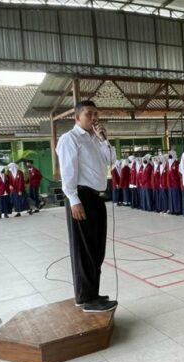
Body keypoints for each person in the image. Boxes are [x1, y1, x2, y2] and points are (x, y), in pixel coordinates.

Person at [56, 100, 118, 313]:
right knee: (84, 250)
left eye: (96, 114)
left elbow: (112, 160)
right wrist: (73, 199)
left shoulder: (94, 139)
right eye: (89, 114)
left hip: (96, 197)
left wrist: (103, 140)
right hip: (81, 197)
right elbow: (67, 171)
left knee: (96, 248)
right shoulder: (69, 139)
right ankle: (86, 298)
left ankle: (93, 293)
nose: (94, 118)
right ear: (77, 117)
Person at [167, 150, 181, 215]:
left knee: (176, 197)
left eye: (170, 154)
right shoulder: (169, 163)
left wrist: (175, 178)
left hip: (175, 183)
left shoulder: (176, 163)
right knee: (171, 197)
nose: (169, 155)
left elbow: (178, 174)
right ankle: (172, 209)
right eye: (169, 154)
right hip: (170, 183)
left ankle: (177, 210)